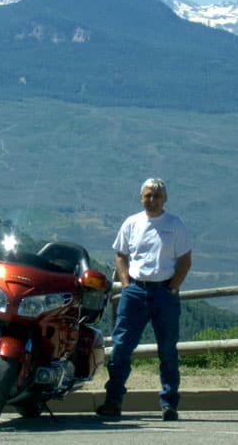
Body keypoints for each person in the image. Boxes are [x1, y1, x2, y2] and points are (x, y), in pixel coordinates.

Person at [96, 178, 193, 421]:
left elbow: (185, 261)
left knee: (168, 351)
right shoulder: (132, 223)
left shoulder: (175, 225)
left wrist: (173, 288)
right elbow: (120, 255)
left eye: (157, 195)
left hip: (164, 294)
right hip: (135, 292)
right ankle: (113, 400)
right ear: (141, 198)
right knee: (121, 348)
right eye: (148, 195)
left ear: (165, 199)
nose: (152, 200)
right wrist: (127, 285)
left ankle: (169, 404)